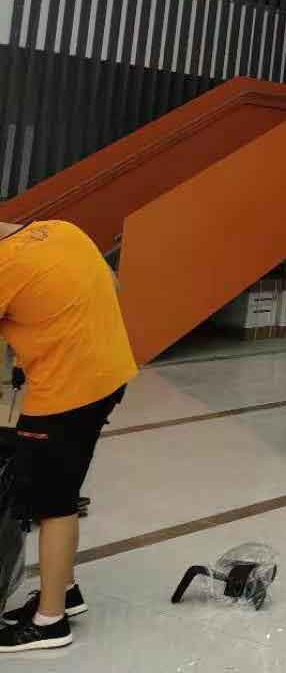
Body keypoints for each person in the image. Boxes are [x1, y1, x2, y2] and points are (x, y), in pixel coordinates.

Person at [0, 221, 136, 652]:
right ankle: (65, 590)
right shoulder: (60, 229)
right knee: (62, 486)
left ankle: (49, 622)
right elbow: (111, 283)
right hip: (109, 374)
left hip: (66, 393)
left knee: (51, 501)